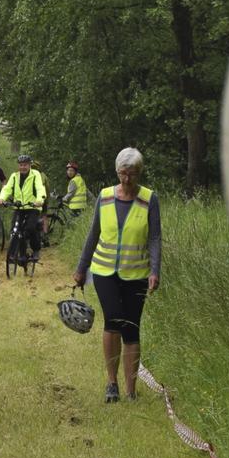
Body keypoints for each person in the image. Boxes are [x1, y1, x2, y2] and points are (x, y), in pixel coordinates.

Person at [72, 147, 161, 403]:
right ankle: (112, 383)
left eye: (131, 174)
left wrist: (155, 270)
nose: (126, 180)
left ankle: (131, 389)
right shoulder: (106, 196)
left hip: (137, 274)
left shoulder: (149, 199)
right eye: (122, 174)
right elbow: (94, 233)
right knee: (113, 321)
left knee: (131, 328)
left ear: (139, 173)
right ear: (117, 172)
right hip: (104, 272)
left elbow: (155, 237)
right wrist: (81, 268)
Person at [0, 151, 48, 259]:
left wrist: (39, 200)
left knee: (30, 228)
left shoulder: (35, 175)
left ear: (29, 165)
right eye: (21, 165)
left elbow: (40, 188)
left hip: (32, 207)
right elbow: (7, 189)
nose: (23, 167)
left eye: (25, 165)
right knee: (15, 230)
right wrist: (1, 199)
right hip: (19, 207)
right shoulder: (14, 176)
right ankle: (21, 254)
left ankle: (36, 249)